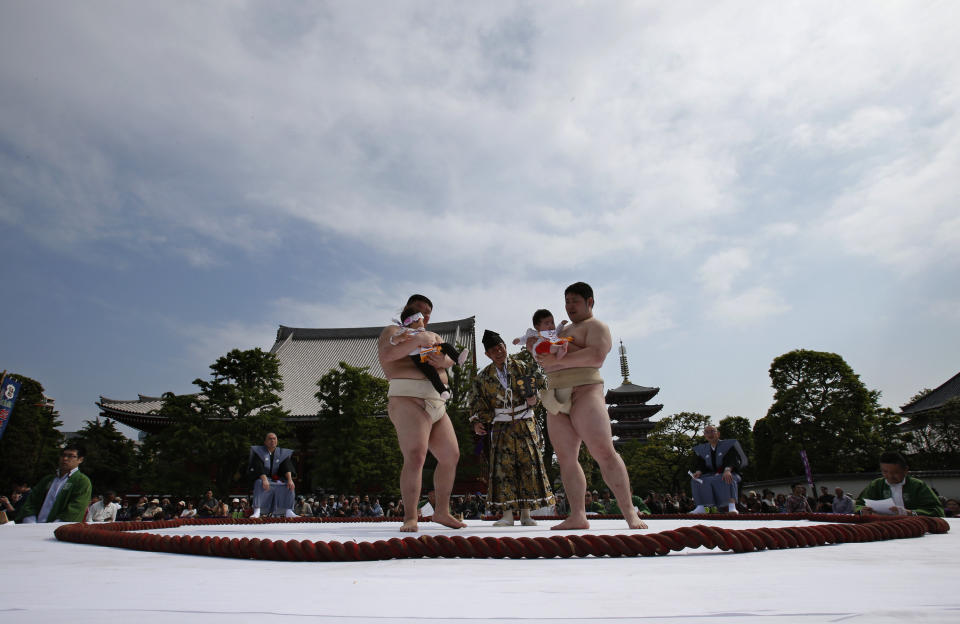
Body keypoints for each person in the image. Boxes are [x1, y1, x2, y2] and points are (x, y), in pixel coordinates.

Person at [536, 282, 646, 530]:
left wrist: (558, 359)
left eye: (575, 300)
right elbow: (544, 357)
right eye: (566, 301)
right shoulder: (560, 331)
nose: (569, 306)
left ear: (590, 302)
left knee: (604, 452)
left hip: (586, 390)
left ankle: (630, 512)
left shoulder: (596, 326)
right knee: (566, 459)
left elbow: (595, 356)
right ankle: (577, 515)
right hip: (556, 394)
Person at [378, 294, 466, 532]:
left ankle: (442, 511)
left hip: (437, 400)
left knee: (450, 455)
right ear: (408, 309)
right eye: (419, 309)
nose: (424, 315)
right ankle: (410, 516)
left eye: (428, 311)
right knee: (416, 455)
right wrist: (419, 341)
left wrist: (442, 360)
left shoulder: (433, 335)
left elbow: (448, 360)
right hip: (407, 397)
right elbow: (387, 355)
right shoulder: (393, 331)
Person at [469, 329, 555, 526]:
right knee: (503, 469)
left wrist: (535, 399)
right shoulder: (482, 378)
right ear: (487, 354)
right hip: (501, 426)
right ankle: (507, 514)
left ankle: (526, 514)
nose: (498, 352)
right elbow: (476, 402)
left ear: (505, 347)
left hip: (525, 420)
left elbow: (541, 383)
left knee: (528, 466)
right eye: (493, 350)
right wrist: (477, 423)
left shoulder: (523, 366)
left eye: (500, 347)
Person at [393, 306, 469, 399]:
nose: (423, 322)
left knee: (446, 346)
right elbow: (392, 340)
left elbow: (428, 340)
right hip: (419, 357)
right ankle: (443, 391)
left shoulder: (422, 331)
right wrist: (399, 338)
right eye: (421, 320)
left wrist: (434, 343)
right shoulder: (404, 331)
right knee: (432, 374)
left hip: (429, 350)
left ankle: (458, 359)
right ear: (414, 322)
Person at [16, 444, 92, 523]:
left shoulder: (82, 481)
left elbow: (76, 509)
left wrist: (53, 527)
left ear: (80, 460)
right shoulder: (48, 479)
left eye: (71, 456)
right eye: (63, 455)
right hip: (34, 525)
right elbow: (31, 502)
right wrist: (30, 522)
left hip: (57, 529)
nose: (65, 459)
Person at [855, 451, 944, 517]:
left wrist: (909, 513)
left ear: (905, 470)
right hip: (882, 525)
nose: (890, 476)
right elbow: (859, 505)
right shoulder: (876, 485)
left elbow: (936, 510)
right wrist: (863, 511)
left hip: (913, 527)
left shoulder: (917, 486)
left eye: (895, 472)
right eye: (885, 472)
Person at [688, 424, 748, 514]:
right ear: (704, 435)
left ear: (718, 434)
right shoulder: (703, 449)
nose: (710, 434)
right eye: (707, 432)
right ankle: (701, 507)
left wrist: (728, 470)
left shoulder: (727, 445)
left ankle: (732, 506)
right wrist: (698, 472)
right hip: (712, 475)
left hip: (730, 473)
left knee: (728, 477)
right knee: (696, 480)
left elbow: (732, 459)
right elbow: (701, 464)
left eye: (712, 431)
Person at [248, 432, 297, 518]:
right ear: (265, 442)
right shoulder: (259, 452)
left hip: (277, 479)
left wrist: (290, 479)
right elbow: (258, 466)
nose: (272, 440)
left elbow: (287, 466)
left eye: (274, 439)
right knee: (259, 483)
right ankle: (257, 510)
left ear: (277, 441)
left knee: (289, 485)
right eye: (270, 439)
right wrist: (264, 479)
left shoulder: (282, 453)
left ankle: (288, 510)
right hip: (263, 479)